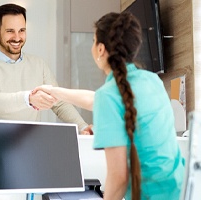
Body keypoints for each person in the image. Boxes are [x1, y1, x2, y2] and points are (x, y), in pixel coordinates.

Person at [33, 12, 185, 200]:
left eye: (94, 40)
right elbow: (96, 100)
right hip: (178, 190)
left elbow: (119, 177)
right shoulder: (152, 80)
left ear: (101, 49)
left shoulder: (110, 95)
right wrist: (55, 91)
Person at [0, 3, 92, 134]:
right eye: (10, 31)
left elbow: (59, 103)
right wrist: (28, 98)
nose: (17, 38)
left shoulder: (38, 64)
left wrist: (82, 127)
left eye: (21, 30)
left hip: (31, 141)